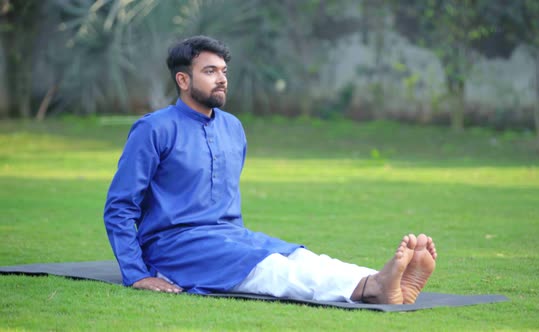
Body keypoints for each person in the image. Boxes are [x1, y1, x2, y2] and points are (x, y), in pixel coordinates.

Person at [104, 35, 437, 304]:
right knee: (272, 269)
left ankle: (381, 279)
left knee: (298, 256)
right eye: (210, 71)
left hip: (231, 236)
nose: (222, 79)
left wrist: (237, 241)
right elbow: (119, 207)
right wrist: (138, 274)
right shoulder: (154, 129)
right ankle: (369, 288)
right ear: (183, 79)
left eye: (223, 71)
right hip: (176, 247)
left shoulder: (232, 127)